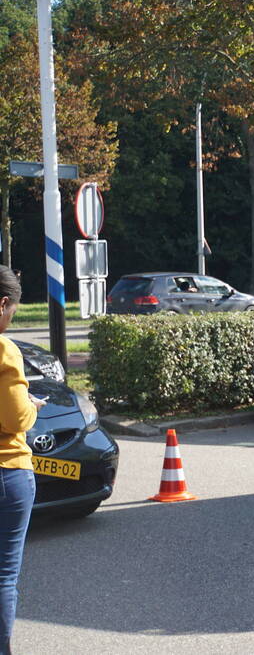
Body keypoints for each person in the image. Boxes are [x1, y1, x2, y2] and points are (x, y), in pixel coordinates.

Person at [0, 265, 43, 655]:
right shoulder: (4, 349)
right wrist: (31, 407)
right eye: (13, 311)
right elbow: (15, 418)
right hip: (6, 469)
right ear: (2, 304)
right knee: (2, 576)